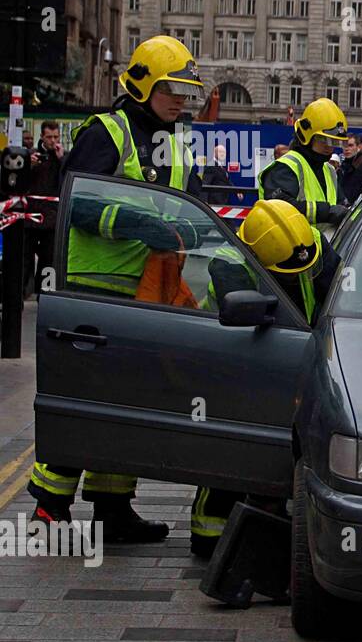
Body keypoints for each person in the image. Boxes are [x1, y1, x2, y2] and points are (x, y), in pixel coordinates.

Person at [27, 34, 209, 544]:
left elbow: (191, 201)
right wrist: (137, 225)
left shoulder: (176, 141)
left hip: (146, 294)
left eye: (187, 90)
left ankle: (112, 506)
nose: (181, 98)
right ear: (142, 83)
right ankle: (49, 507)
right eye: (172, 87)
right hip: (93, 290)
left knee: (129, 400)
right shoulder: (106, 131)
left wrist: (193, 227)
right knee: (86, 397)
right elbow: (77, 202)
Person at [189, 199, 341, 557]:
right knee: (230, 450)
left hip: (296, 357)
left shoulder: (308, 243)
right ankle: (207, 533)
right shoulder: (229, 265)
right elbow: (250, 315)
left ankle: (266, 517)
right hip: (238, 362)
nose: (302, 272)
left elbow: (336, 286)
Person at [258, 98, 351, 230]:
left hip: (319, 247)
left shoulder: (328, 170)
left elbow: (341, 205)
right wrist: (327, 212)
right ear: (307, 136)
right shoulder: (286, 167)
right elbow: (280, 207)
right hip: (287, 247)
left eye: (335, 142)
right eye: (325, 140)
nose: (330, 147)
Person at [24, 120, 63, 297]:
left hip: (52, 218)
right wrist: (29, 166)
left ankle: (44, 295)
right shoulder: (32, 155)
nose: (52, 141)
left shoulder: (62, 157)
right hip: (31, 216)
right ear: (42, 137)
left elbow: (68, 176)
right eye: (49, 137)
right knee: (25, 258)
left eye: (56, 137)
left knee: (48, 260)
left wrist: (62, 160)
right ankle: (21, 293)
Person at [201, 143, 246, 207]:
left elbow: (227, 182)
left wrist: (237, 192)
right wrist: (204, 201)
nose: (223, 154)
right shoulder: (211, 166)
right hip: (214, 202)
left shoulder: (222, 167)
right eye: (220, 152)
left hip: (223, 201)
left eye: (224, 152)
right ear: (214, 153)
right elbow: (205, 184)